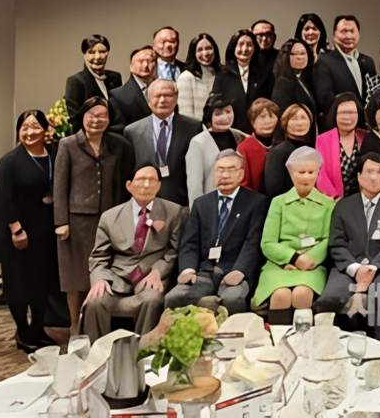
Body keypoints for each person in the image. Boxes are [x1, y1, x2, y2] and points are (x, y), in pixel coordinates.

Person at [54, 97, 135, 335]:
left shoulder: (117, 144)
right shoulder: (68, 144)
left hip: (109, 218)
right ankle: (74, 325)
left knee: (105, 271)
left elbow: (122, 181)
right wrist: (61, 221)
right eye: (92, 115)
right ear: (83, 116)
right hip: (77, 221)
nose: (97, 120)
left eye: (102, 116)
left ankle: (98, 324)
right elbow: (59, 185)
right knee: (75, 276)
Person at [83, 165, 187, 343]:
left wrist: (158, 271)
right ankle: (96, 354)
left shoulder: (174, 212)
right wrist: (100, 278)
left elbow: (174, 250)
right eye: (141, 180)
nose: (146, 185)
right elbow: (99, 256)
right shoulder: (110, 216)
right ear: (129, 185)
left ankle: (144, 352)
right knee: (95, 302)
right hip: (118, 277)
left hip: (151, 275)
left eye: (152, 180)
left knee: (152, 300)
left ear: (159, 185)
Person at [314, 147, 380, 343]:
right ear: (358, 176)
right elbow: (337, 243)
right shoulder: (343, 206)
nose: (374, 177)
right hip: (348, 266)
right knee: (330, 298)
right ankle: (328, 347)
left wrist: (372, 268)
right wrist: (356, 269)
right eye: (369, 171)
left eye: (379, 172)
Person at [166, 150, 267, 315]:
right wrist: (188, 269)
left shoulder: (256, 202)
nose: (224, 175)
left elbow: (253, 242)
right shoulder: (201, 203)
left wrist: (240, 270)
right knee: (175, 298)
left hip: (235, 270)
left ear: (241, 174)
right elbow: (189, 242)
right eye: (220, 170)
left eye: (231, 170)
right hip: (205, 272)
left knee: (232, 299)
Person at [0, 110, 60, 351]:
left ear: (46, 130)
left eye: (35, 127)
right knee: (19, 284)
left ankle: (38, 329)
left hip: (46, 231)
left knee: (42, 282)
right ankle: (22, 332)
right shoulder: (10, 161)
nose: (30, 132)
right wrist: (16, 230)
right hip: (20, 233)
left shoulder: (54, 154)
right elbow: (4, 199)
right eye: (25, 127)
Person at [254, 146, 335, 325]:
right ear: (291, 174)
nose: (306, 177)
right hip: (280, 264)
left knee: (302, 293)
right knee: (280, 295)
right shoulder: (278, 203)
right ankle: (279, 339)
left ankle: (305, 339)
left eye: (311, 172)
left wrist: (309, 259)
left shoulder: (328, 204)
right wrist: (293, 258)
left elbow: (329, 239)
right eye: (301, 172)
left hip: (312, 266)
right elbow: (268, 242)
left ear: (318, 173)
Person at [124, 79, 200, 205]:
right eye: (157, 96)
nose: (163, 100)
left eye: (168, 95)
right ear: (148, 99)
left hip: (181, 202)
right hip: (144, 202)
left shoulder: (193, 128)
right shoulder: (132, 131)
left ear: (176, 98)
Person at [186, 94, 246, 202]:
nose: (225, 117)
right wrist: (198, 210)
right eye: (218, 114)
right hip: (212, 204)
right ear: (209, 116)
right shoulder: (198, 142)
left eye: (228, 112)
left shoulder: (241, 137)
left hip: (241, 202)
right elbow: (194, 187)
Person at [212, 28, 272, 135]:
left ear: (255, 48)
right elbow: (217, 104)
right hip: (230, 132)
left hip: (258, 132)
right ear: (233, 48)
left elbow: (269, 104)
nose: (244, 49)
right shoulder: (223, 74)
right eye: (240, 45)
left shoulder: (264, 74)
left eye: (249, 45)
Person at [312, 15, 377, 103]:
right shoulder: (324, 61)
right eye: (344, 31)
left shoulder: (368, 61)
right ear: (334, 34)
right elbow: (325, 98)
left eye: (352, 31)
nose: (348, 36)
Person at [316, 93, 369, 199]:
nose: (347, 117)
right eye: (342, 113)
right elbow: (320, 175)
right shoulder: (322, 140)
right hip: (332, 201)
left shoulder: (366, 137)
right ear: (335, 115)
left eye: (351, 113)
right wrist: (334, 199)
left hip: (363, 200)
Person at [65, 34, 122, 127]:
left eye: (102, 52)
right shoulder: (76, 81)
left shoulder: (115, 77)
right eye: (91, 52)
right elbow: (74, 119)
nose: (98, 57)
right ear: (84, 55)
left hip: (116, 132)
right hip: (92, 132)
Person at [264, 104, 317, 198]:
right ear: (284, 123)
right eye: (294, 119)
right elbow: (275, 192)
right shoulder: (277, 153)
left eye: (303, 118)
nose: (299, 123)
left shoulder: (317, 148)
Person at [271, 39, 319, 122]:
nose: (299, 57)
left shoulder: (304, 79)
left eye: (302, 53)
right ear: (286, 56)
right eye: (294, 54)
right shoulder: (283, 83)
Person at [239, 99, 281, 195]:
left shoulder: (283, 142)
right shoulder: (244, 147)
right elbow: (243, 184)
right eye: (262, 117)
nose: (267, 121)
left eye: (271, 116)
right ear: (252, 121)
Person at [109, 46, 157, 129]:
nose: (145, 65)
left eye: (150, 61)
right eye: (140, 61)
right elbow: (118, 128)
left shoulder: (165, 89)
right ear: (131, 65)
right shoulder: (118, 96)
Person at [176, 33, 221, 121]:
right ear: (193, 53)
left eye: (208, 48)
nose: (205, 53)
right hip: (197, 128)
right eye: (200, 50)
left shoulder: (223, 74)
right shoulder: (186, 78)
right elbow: (185, 116)